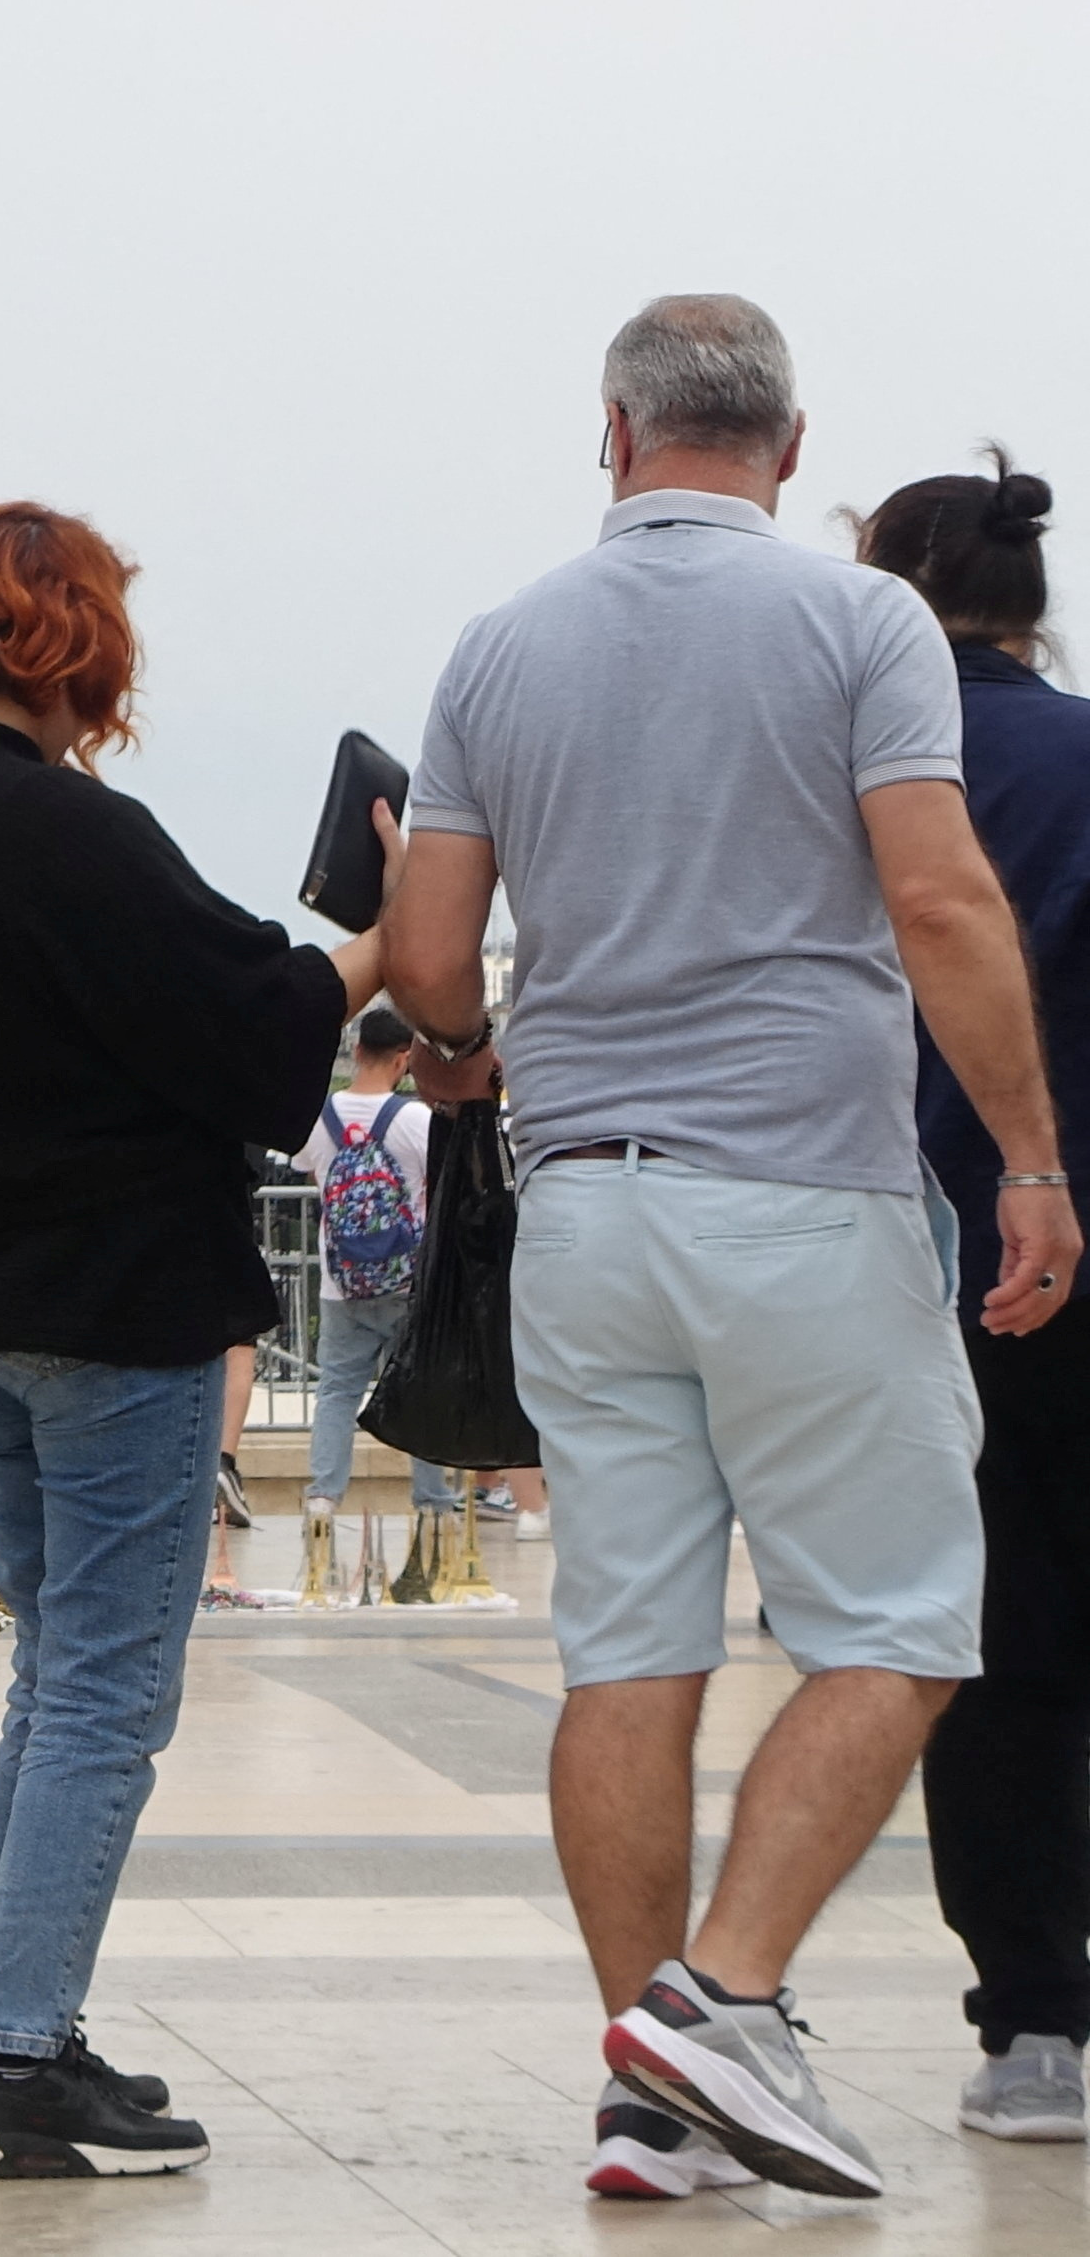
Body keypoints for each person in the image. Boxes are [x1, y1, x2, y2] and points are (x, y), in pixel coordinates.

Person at [388, 301, 1079, 2207]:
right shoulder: (856, 625)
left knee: (623, 1652)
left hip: (582, 1205)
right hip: (795, 1188)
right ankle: (726, 2001)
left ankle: (645, 2087)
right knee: (901, 1619)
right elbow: (933, 895)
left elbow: (434, 959)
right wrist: (1024, 1156)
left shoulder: (496, 643)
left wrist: (456, 1051)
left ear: (607, 435)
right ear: (785, 448)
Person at [0, 500, 388, 2180]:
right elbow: (248, 1037)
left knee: (56, 1672)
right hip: (112, 1303)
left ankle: (22, 2025)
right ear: (76, 648)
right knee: (101, 1687)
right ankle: (15, 2056)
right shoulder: (67, 833)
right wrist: (373, 949)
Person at [861, 455, 1090, 2145]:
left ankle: (1028, 2025)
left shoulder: (860, 770)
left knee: (984, 1635)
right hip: (1074, 1225)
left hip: (902, 1257)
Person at [300, 1011, 453, 1539]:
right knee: (419, 1390)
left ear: (358, 1050)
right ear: (403, 1059)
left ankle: (323, 1496)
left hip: (339, 1284)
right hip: (408, 1281)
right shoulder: (414, 1120)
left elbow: (311, 1172)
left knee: (338, 1391)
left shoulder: (317, 1117)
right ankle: (433, 1501)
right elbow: (447, 1178)